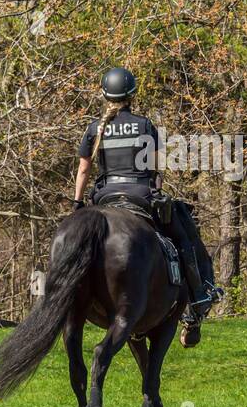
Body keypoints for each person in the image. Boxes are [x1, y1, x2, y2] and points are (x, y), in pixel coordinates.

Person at [72, 67, 219, 338]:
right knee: (184, 238)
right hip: (140, 195)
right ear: (131, 94)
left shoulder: (95, 129)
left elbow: (83, 170)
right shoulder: (144, 125)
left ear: (105, 95)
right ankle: (198, 297)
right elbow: (155, 168)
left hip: (104, 197)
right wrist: (156, 194)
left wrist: (77, 203)